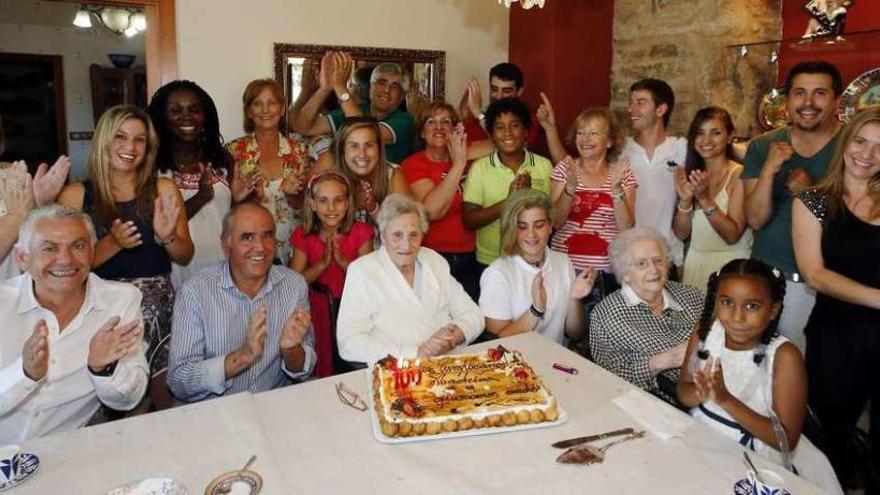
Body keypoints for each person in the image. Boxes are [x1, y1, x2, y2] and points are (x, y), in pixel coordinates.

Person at [57, 105, 193, 407]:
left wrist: (166, 235)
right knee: (110, 398)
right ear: (104, 140)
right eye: (120, 136)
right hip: (104, 313)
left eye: (140, 140)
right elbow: (64, 270)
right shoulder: (75, 195)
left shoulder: (164, 188)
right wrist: (112, 244)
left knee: (164, 401)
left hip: (159, 311)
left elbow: (184, 255)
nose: (130, 147)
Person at [677, 259, 842, 495]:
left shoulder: (784, 356)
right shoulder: (705, 332)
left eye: (752, 306)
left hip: (753, 456)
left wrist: (725, 399)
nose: (737, 317)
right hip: (702, 435)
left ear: (773, 309)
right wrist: (699, 392)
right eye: (727, 302)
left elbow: (785, 438)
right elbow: (683, 392)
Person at [0, 205, 148, 444]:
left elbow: (130, 398)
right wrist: (24, 374)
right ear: (22, 258)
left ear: (92, 252)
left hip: (64, 457)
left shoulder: (120, 301)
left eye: (77, 246)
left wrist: (103, 370)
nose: (65, 259)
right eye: (49, 248)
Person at [792, 108, 880, 490]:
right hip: (837, 338)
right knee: (830, 438)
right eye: (860, 141)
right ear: (846, 142)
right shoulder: (813, 201)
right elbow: (815, 274)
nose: (867, 154)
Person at [167, 202, 316, 403]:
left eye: (267, 235)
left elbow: (304, 369)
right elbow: (179, 381)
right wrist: (243, 357)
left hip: (273, 409)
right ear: (226, 244)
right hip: (213, 415)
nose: (260, 247)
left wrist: (291, 351)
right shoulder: (195, 292)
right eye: (247, 237)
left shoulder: (293, 284)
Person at [742, 60, 843, 353]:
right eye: (799, 93)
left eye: (819, 93)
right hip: (764, 280)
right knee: (759, 369)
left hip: (822, 285)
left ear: (836, 99)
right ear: (787, 101)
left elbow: (856, 225)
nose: (808, 102)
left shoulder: (854, 147)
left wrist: (808, 193)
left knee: (812, 375)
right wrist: (769, 170)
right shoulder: (763, 146)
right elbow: (756, 220)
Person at [337, 194, 484, 364]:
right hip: (399, 371)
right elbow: (349, 343)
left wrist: (452, 337)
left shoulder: (434, 260)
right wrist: (415, 353)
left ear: (423, 234)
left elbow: (474, 314)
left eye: (414, 235)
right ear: (383, 236)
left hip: (448, 363)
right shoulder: (362, 271)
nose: (406, 245)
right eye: (397, 235)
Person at [589, 226, 704, 403]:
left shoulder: (692, 296)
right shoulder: (608, 315)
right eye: (641, 263)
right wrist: (661, 361)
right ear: (625, 273)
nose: (654, 269)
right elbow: (610, 377)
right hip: (662, 403)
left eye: (658, 260)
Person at [479, 189, 596, 345]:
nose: (531, 234)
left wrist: (575, 299)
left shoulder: (562, 261)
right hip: (515, 364)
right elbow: (495, 345)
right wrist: (535, 311)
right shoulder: (497, 273)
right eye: (522, 227)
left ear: (549, 226)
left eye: (539, 225)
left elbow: (575, 333)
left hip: (557, 361)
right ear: (511, 229)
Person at [147, 80, 234, 288]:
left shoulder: (222, 160)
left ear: (205, 116)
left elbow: (233, 216)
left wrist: (245, 197)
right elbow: (156, 227)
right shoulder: (151, 167)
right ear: (162, 118)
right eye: (175, 110)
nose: (186, 116)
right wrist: (201, 197)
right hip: (176, 272)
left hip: (222, 268)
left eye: (194, 110)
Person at [289, 170, 373, 377]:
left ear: (347, 203)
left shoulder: (361, 232)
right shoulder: (304, 235)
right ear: (313, 204)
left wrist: (344, 263)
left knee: (353, 362)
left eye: (338, 200)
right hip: (317, 310)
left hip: (353, 308)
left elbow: (371, 278)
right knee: (323, 362)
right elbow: (293, 282)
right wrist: (322, 265)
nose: (331, 208)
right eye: (324, 201)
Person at [543, 104, 636, 281]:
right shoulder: (565, 169)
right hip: (565, 270)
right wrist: (570, 188)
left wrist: (616, 189)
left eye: (593, 133)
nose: (585, 139)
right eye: (580, 132)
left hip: (607, 272)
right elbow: (554, 222)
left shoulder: (622, 173)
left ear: (609, 141)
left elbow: (627, 228)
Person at [227, 79, 311, 265]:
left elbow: (306, 207)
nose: (265, 110)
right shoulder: (233, 151)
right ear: (249, 112)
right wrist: (244, 198)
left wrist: (293, 196)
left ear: (282, 109)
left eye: (272, 102)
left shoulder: (300, 151)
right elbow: (228, 208)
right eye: (257, 103)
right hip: (250, 249)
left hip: (293, 251)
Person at [463, 98, 553, 268]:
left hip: (534, 260)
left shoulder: (543, 165)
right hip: (491, 261)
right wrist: (510, 201)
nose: (508, 133)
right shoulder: (480, 168)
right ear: (491, 134)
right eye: (499, 127)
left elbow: (551, 215)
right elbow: (469, 220)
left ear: (526, 131)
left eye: (514, 125)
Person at [402, 102, 479, 300]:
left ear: (454, 130)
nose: (438, 127)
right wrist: (459, 165)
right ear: (421, 133)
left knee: (469, 320)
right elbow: (432, 211)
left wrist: (477, 114)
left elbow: (503, 142)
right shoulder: (413, 164)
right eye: (431, 122)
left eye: (446, 121)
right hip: (432, 255)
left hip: (471, 255)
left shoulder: (465, 153)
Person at [673, 107, 751, 292]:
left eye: (715, 133)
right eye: (699, 133)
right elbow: (682, 234)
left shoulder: (739, 174)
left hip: (730, 269)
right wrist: (685, 201)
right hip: (695, 265)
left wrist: (705, 199)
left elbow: (732, 235)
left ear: (730, 136)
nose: (706, 140)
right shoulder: (693, 173)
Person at [292, 52, 415, 164]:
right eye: (381, 83)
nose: (386, 90)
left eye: (395, 87)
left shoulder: (405, 120)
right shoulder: (356, 109)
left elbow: (366, 133)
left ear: (402, 96)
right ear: (371, 86)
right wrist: (325, 89)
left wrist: (340, 87)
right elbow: (303, 127)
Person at [620, 78, 688, 273]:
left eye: (640, 103)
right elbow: (579, 166)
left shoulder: (680, 148)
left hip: (668, 257)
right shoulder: (620, 149)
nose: (631, 109)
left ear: (661, 110)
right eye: (630, 103)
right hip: (628, 258)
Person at [327, 117, 411, 231]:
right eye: (354, 146)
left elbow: (407, 226)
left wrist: (374, 208)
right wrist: (352, 203)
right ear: (342, 150)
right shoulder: (330, 176)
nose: (362, 154)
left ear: (379, 149)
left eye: (369, 145)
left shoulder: (392, 174)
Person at [459, 62, 542, 150]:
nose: (499, 96)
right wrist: (463, 116)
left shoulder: (529, 121)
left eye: (506, 91)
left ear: (519, 92)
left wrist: (478, 114)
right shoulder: (480, 118)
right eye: (494, 90)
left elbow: (516, 150)